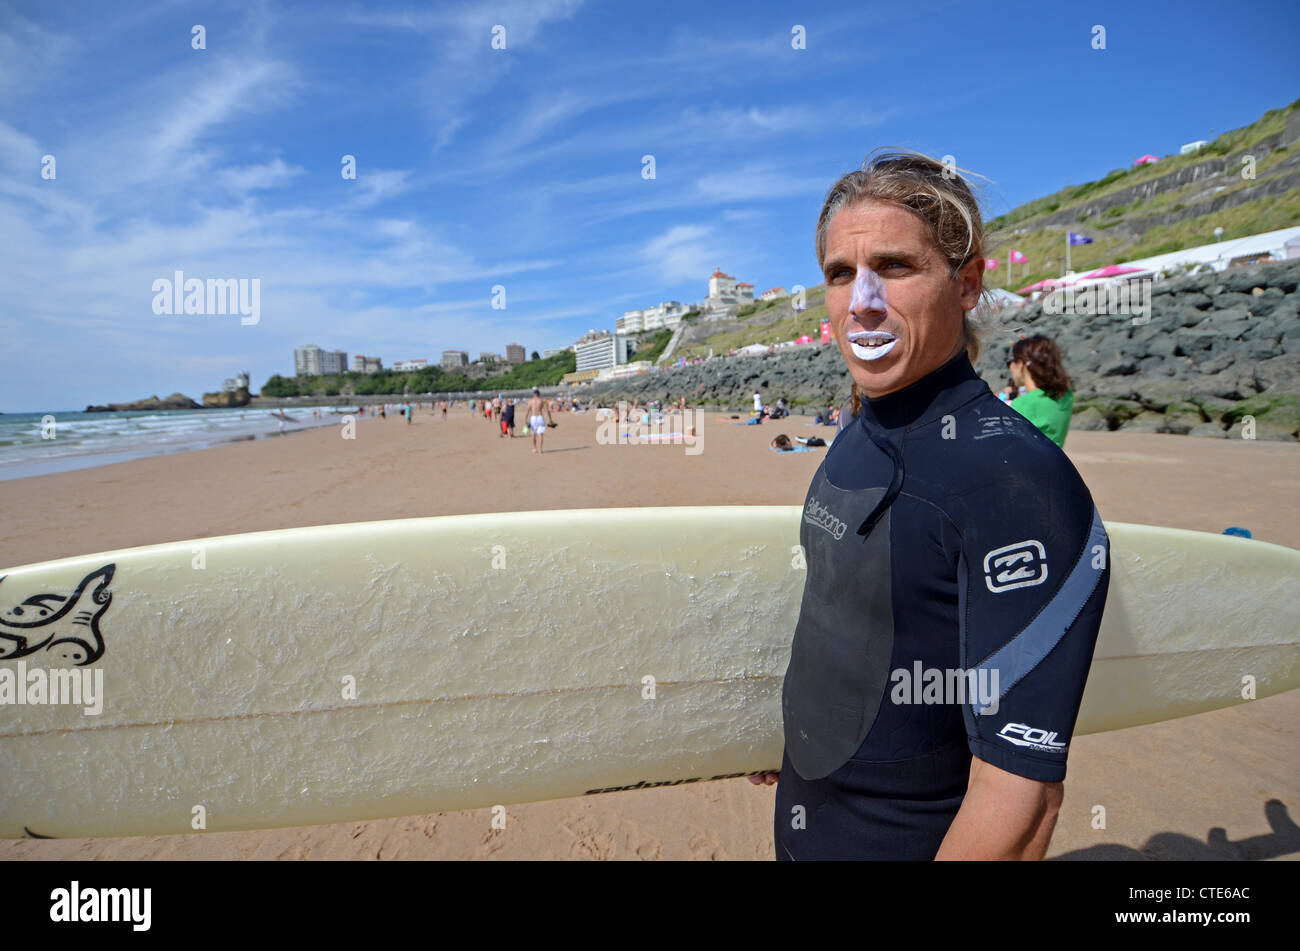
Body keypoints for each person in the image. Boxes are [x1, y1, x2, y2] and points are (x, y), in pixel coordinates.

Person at [750, 150, 1110, 861]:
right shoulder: (857, 436)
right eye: (840, 274)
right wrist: (799, 728)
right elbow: (840, 611)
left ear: (968, 282)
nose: (862, 302)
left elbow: (1024, 800)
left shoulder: (1016, 484)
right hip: (803, 819)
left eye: (896, 266)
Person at [1007, 336, 1074, 448]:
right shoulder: (1066, 396)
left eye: (1010, 361)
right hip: (1057, 462)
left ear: (1021, 364)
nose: (1010, 367)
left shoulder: (1022, 404)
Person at [526, 388, 553, 454]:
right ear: (539, 394)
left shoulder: (530, 401)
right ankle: (540, 450)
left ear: (534, 394)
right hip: (540, 417)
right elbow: (547, 411)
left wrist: (525, 421)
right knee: (540, 434)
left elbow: (527, 412)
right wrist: (550, 420)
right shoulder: (541, 401)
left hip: (533, 418)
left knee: (533, 434)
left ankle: (535, 448)